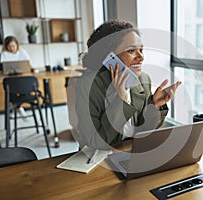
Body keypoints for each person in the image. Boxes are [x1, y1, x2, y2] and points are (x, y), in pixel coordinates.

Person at [70, 19, 181, 150]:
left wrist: (155, 106)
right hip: (99, 159)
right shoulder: (88, 85)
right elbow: (94, 142)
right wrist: (121, 100)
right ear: (109, 56)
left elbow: (143, 132)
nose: (141, 57)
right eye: (131, 51)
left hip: (131, 154)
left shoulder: (143, 80)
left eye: (141, 50)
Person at [0, 36, 31, 118]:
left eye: (13, 46)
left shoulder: (22, 52)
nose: (12, 48)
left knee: (26, 88)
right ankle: (19, 108)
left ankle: (16, 108)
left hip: (22, 77)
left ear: (17, 45)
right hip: (11, 78)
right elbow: (4, 68)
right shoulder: (4, 54)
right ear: (6, 46)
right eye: (9, 46)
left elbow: (28, 65)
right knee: (10, 89)